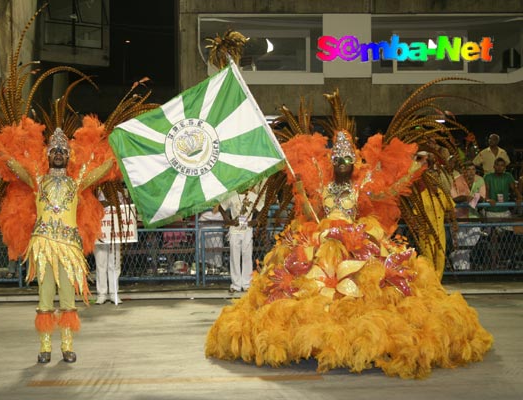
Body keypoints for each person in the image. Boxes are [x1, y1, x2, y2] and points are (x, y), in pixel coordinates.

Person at [205, 96, 493, 379]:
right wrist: (302, 192)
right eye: (337, 158)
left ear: (353, 162)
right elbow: (309, 210)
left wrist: (415, 171)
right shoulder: (324, 189)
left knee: (373, 288)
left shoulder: (361, 189)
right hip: (322, 244)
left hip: (358, 243)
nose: (342, 162)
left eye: (346, 158)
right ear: (332, 162)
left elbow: (389, 193)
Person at [0, 127, 114, 363]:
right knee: (44, 299)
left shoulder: (76, 183)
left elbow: (102, 170)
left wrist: (118, 147)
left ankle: (67, 347)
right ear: (48, 156)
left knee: (68, 299)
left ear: (68, 157)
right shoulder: (38, 181)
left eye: (62, 151)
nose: (58, 154)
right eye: (54, 151)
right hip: (43, 247)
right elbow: (14, 166)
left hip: (69, 248)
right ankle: (45, 348)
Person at [219, 182, 265, 293]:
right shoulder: (232, 195)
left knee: (247, 256)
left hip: (247, 229)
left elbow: (262, 207)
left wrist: (256, 220)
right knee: (234, 257)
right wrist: (228, 220)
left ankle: (246, 284)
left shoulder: (253, 196)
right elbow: (221, 207)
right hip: (234, 230)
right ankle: (235, 285)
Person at [449, 161, 486, 270]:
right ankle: (461, 270)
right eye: (468, 170)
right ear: (463, 171)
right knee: (460, 244)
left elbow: (483, 196)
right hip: (459, 217)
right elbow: (453, 198)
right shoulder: (456, 180)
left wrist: (476, 198)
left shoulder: (480, 180)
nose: (471, 172)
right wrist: (465, 198)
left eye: (473, 169)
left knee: (470, 243)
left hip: (474, 217)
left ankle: (456, 260)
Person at [94, 189, 123, 305]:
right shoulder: (94, 191)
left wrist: (113, 204)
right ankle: (102, 294)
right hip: (100, 233)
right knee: (101, 263)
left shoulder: (118, 193)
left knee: (114, 264)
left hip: (114, 233)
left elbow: (124, 210)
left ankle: (114, 293)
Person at [198, 207, 225, 275]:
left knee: (217, 247)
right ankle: (206, 267)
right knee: (203, 247)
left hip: (218, 220)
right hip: (204, 221)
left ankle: (216, 267)